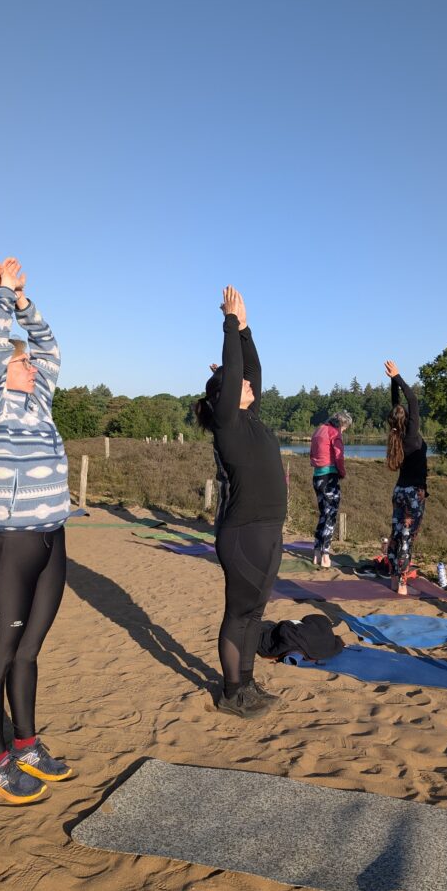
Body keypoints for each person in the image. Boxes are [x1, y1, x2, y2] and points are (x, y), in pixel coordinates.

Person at [0, 257, 72, 803]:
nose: (30, 366)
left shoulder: (40, 401)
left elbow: (50, 347)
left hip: (52, 539)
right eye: (20, 363)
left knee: (29, 652)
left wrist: (28, 305)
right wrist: (3, 294)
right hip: (8, 547)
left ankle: (26, 743)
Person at [195, 286, 287, 719]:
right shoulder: (228, 423)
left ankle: (247, 683)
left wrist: (247, 329)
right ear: (225, 397)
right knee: (238, 614)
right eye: (239, 386)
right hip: (243, 533)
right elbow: (235, 372)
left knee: (254, 614)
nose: (248, 385)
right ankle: (232, 692)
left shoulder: (250, 417)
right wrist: (229, 323)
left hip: (268, 531)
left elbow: (251, 369)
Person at [384, 360, 428, 595]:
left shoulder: (396, 436)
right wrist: (399, 377)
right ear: (406, 420)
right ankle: (401, 583)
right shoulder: (410, 435)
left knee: (396, 534)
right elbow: (413, 400)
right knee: (407, 540)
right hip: (413, 493)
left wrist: (393, 380)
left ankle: (393, 578)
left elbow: (398, 405)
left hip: (399, 491)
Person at [309, 411, 352, 567]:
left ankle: (316, 553)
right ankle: (326, 555)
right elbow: (339, 456)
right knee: (331, 516)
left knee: (323, 514)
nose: (344, 431)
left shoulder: (318, 430)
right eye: (345, 427)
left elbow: (312, 454)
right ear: (341, 424)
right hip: (329, 477)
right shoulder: (335, 433)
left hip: (317, 477)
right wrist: (342, 473)